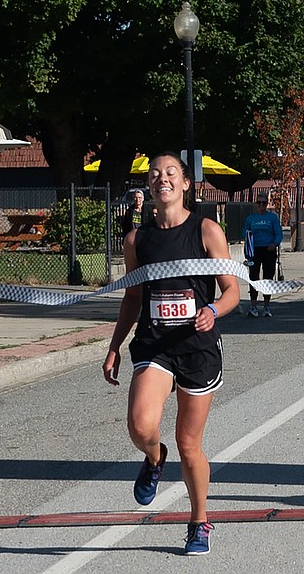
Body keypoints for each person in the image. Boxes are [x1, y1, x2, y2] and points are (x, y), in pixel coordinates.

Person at [104, 152, 240, 555]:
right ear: (149, 185)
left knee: (189, 444)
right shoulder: (137, 240)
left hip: (197, 349)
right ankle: (153, 458)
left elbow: (232, 291)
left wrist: (212, 310)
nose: (162, 179)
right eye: (155, 174)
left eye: (170, 173)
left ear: (184, 183)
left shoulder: (206, 230)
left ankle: (199, 521)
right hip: (155, 345)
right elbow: (133, 297)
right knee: (140, 425)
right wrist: (114, 346)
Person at [242, 192, 283, 317]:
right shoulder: (251, 218)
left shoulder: (272, 218)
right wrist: (248, 243)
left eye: (263, 203)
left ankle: (266, 306)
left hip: (269, 250)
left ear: (267, 204)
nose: (261, 205)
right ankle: (253, 305)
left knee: (267, 277)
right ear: (256, 204)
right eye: (259, 202)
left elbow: (278, 234)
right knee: (253, 277)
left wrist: (274, 243)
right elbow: (245, 232)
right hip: (254, 251)